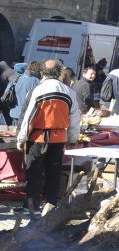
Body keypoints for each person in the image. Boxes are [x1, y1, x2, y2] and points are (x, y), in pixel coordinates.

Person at [16, 60, 80, 215]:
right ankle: (50, 205)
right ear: (59, 73)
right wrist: (72, 138)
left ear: (42, 72)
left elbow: (29, 116)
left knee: (34, 172)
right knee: (53, 172)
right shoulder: (69, 92)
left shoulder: (39, 90)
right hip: (59, 138)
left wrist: (22, 137)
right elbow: (75, 118)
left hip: (38, 137)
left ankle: (32, 206)